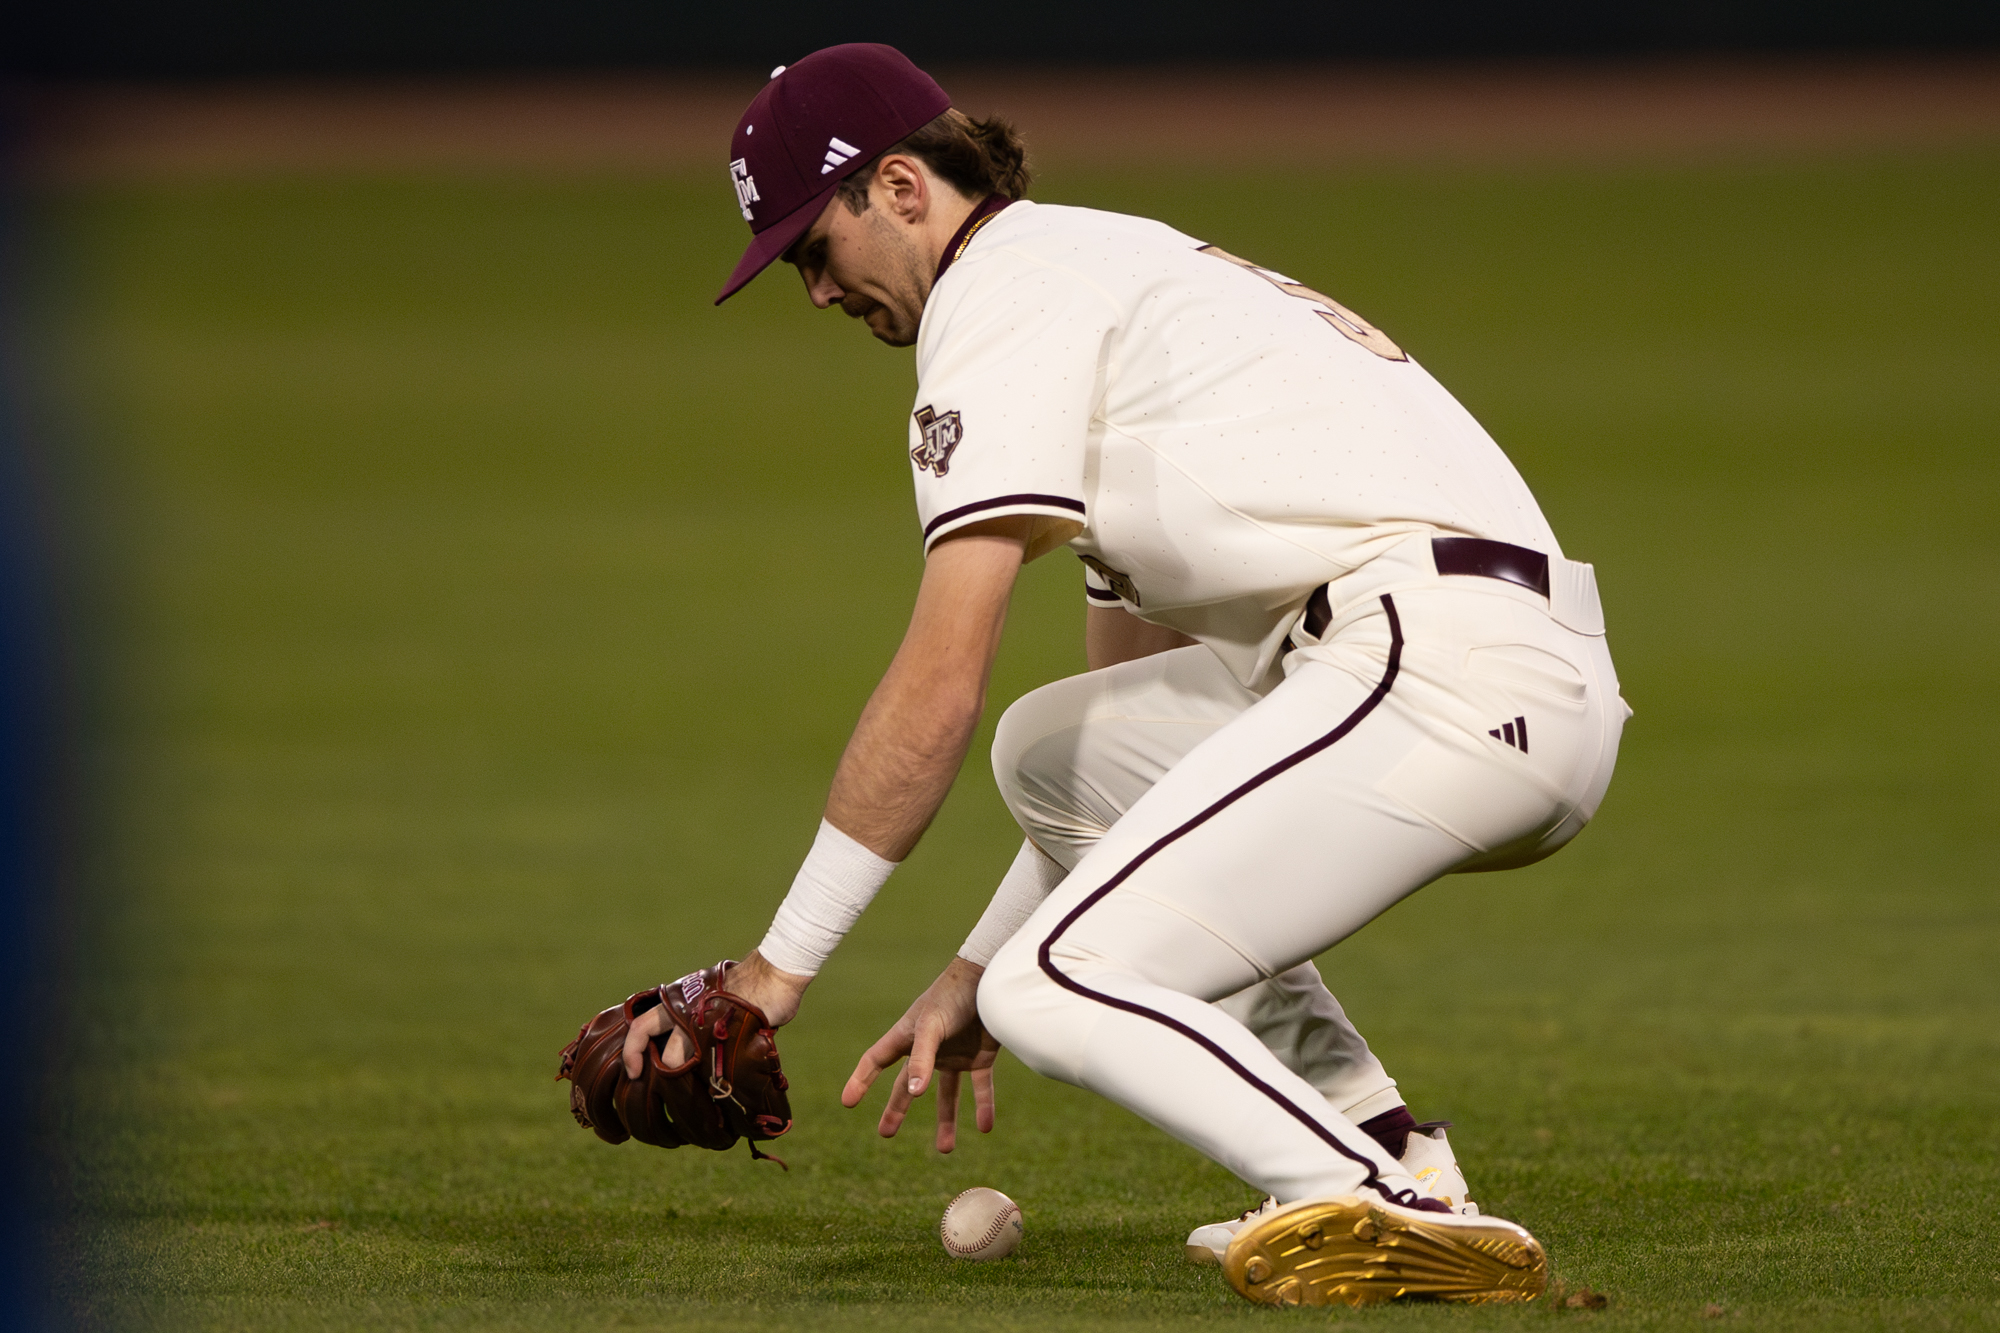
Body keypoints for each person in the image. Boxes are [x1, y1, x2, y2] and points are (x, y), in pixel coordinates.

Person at [622, 43, 1629, 1306]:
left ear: (898, 187)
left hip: (1439, 667)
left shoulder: (1001, 296)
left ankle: (1375, 1206)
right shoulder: (1092, 277)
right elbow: (1118, 768)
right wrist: (972, 968)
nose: (814, 293)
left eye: (809, 248)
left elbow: (938, 678)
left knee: (1064, 986)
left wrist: (775, 971)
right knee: (1053, 753)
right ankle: (1381, 1143)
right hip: (1475, 668)